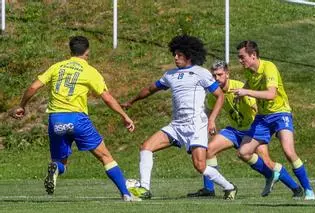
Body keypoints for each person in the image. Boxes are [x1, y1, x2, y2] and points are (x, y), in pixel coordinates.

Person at [11, 36, 139, 202]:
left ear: (70, 51)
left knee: (60, 161)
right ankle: (126, 194)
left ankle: (55, 168)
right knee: (105, 157)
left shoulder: (57, 67)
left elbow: (33, 86)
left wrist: (22, 105)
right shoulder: (90, 71)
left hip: (55, 119)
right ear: (87, 52)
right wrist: (125, 116)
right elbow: (106, 98)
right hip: (77, 119)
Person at [121, 35, 237, 200]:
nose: (175, 57)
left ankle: (229, 187)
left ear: (189, 55)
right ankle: (144, 188)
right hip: (176, 125)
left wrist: (211, 120)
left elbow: (220, 96)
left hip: (196, 125)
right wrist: (131, 101)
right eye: (174, 54)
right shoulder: (170, 75)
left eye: (179, 54)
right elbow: (150, 89)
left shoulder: (201, 73)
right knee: (146, 147)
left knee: (200, 165)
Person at [187, 61, 303, 199]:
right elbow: (207, 111)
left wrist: (262, 129)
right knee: (209, 150)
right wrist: (203, 125)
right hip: (234, 131)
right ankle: (209, 189)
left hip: (252, 131)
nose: (216, 78)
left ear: (227, 74)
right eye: (213, 75)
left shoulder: (239, 88)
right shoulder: (214, 94)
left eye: (220, 74)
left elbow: (256, 108)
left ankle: (296, 188)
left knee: (267, 162)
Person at [232, 40, 315, 200]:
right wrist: (241, 93)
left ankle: (309, 190)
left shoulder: (269, 67)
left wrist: (246, 92)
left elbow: (271, 94)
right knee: (243, 152)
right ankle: (271, 174)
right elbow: (251, 82)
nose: (240, 61)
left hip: (280, 113)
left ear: (253, 55)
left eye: (242, 57)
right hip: (262, 117)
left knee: (289, 151)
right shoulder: (249, 71)